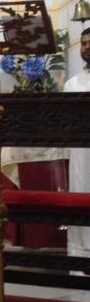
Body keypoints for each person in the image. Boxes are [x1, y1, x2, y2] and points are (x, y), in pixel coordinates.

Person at [65, 27, 90, 260]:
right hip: (81, 152)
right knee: (81, 192)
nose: (87, 47)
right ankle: (82, 251)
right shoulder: (72, 84)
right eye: (83, 43)